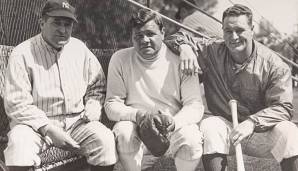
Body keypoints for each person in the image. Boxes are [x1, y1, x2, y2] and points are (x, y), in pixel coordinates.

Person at [165, 4, 298, 171]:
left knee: (290, 132)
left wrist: (251, 122)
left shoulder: (274, 65)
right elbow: (172, 37)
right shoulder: (211, 50)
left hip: (262, 131)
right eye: (228, 31)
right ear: (222, 30)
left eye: (240, 30)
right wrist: (185, 48)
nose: (233, 37)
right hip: (226, 129)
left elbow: (283, 107)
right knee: (210, 125)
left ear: (252, 29)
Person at [3, 0, 117, 171]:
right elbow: (16, 103)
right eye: (56, 23)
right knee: (18, 146)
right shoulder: (22, 53)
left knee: (105, 139)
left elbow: (97, 86)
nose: (63, 30)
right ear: (42, 23)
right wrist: (48, 129)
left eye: (68, 24)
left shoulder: (80, 49)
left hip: (77, 122)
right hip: (35, 126)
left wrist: (93, 106)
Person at [104, 9, 204, 171]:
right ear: (132, 37)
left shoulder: (182, 58)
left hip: (172, 130)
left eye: (150, 34)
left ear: (163, 33)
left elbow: (195, 105)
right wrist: (138, 116)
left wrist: (174, 123)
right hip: (138, 129)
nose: (144, 40)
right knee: (123, 131)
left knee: (191, 138)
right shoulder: (120, 58)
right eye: (138, 36)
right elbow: (111, 104)